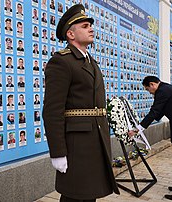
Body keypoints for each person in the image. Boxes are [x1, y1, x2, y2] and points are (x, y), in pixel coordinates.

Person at [42, 4, 119, 202]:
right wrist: (57, 152)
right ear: (71, 34)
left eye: (90, 26)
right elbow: (52, 111)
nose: (91, 29)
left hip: (95, 139)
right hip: (76, 145)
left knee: (89, 195)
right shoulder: (61, 62)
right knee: (75, 196)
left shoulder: (90, 62)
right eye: (85, 26)